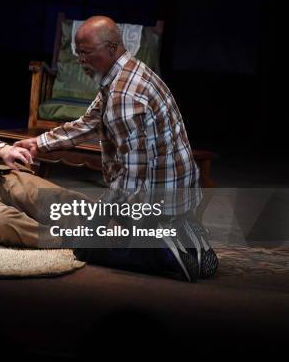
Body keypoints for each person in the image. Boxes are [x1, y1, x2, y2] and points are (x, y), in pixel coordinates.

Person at [14, 16, 218, 281]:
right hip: (176, 191)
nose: (80, 61)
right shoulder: (125, 73)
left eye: (86, 53)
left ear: (111, 48)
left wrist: (106, 215)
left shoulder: (124, 95)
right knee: (97, 229)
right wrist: (38, 143)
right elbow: (88, 123)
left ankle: (163, 249)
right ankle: (181, 233)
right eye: (78, 54)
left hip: (158, 198)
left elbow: (133, 175)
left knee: (85, 247)